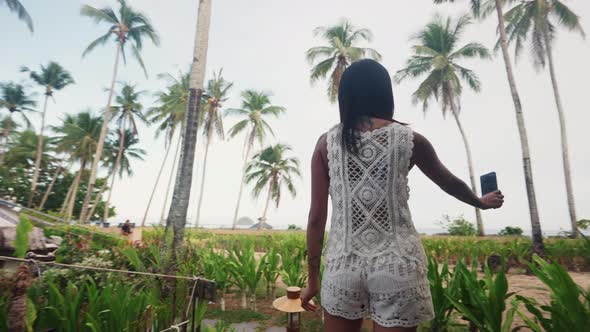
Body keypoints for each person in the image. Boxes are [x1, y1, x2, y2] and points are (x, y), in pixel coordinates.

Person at [300, 59, 504, 332]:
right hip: (397, 264)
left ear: (345, 97)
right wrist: (480, 202)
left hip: (343, 265)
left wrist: (312, 280)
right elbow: (448, 182)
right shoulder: (409, 139)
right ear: (385, 94)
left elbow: (316, 218)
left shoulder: (327, 143)